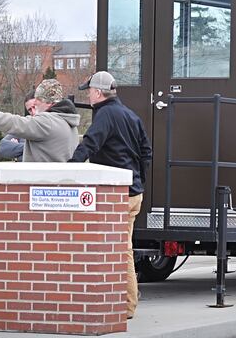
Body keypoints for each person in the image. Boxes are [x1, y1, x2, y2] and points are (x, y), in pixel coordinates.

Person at [68, 71, 152, 320]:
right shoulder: (130, 115)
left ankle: (127, 306)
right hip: (134, 192)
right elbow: (146, 152)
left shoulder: (105, 114)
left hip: (118, 194)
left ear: (97, 92)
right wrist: (139, 181)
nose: (88, 95)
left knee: (122, 249)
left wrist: (68, 169)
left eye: (89, 91)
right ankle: (122, 302)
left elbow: (89, 144)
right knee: (121, 247)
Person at [0, 79, 79, 162]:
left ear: (49, 102)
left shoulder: (47, 122)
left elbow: (15, 123)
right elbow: (4, 147)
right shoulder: (69, 122)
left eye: (38, 99)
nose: (35, 103)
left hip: (42, 186)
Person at [0, 91, 37, 160]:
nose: (33, 112)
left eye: (35, 107)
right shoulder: (23, 126)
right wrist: (31, 149)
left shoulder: (52, 125)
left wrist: (16, 148)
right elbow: (3, 149)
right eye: (30, 110)